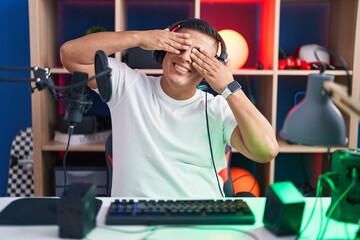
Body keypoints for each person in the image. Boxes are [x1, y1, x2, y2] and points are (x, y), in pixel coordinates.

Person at [60, 18, 279, 198]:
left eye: (198, 56)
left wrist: (229, 87)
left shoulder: (217, 108)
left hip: (201, 220)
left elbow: (266, 150)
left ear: (213, 67)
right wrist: (140, 37)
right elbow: (70, 55)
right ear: (162, 49)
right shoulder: (128, 86)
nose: (184, 57)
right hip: (134, 220)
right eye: (180, 47)